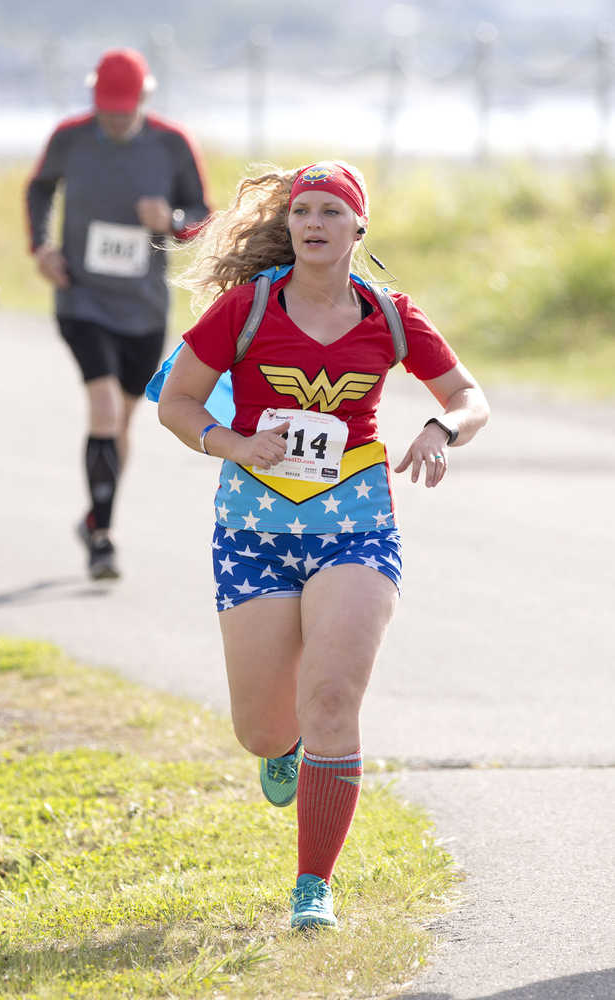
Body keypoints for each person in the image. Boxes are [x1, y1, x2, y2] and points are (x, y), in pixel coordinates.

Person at [157, 160, 489, 930]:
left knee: (335, 698)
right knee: (264, 729)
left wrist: (441, 429)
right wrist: (230, 442)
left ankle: (314, 888)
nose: (312, 223)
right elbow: (175, 402)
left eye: (329, 213)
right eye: (301, 211)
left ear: (356, 228)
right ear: (289, 226)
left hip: (356, 526)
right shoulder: (245, 309)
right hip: (252, 530)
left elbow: (469, 398)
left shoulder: (390, 314)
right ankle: (287, 742)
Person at [25, 47, 210, 579]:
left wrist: (171, 219)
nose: (114, 118)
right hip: (81, 297)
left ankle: (94, 516)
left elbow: (201, 217)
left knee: (121, 423)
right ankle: (103, 539)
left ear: (144, 98)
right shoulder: (70, 137)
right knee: (104, 410)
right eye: (106, 108)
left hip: (144, 308)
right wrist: (41, 247)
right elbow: (39, 189)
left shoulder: (173, 144)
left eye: (123, 109)